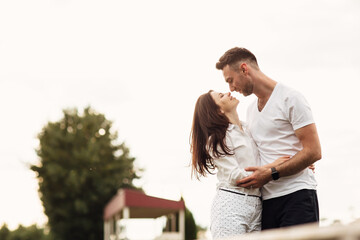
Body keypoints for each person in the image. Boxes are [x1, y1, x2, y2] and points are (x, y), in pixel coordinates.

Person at [215, 47, 322, 230]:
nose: (231, 88)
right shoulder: (250, 112)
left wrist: (273, 171)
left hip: (297, 195)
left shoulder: (290, 98)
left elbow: (314, 151)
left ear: (244, 69)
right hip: (266, 203)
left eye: (231, 81)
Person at [190, 90, 290, 239]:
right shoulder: (216, 140)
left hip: (257, 205)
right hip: (231, 204)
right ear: (218, 111)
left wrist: (293, 164)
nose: (228, 92)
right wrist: (273, 167)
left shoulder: (249, 129)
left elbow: (267, 155)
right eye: (221, 96)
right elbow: (234, 176)